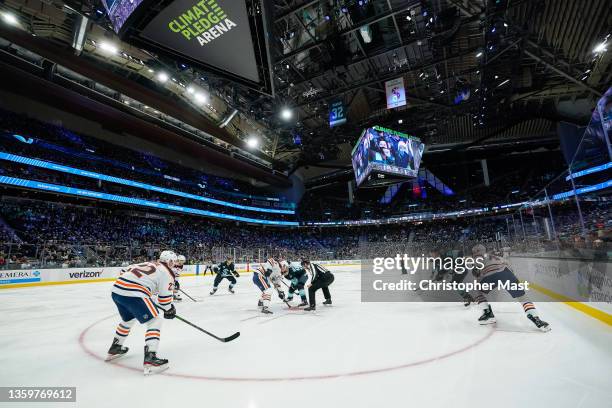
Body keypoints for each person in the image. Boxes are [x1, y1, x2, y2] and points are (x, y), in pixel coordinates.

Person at [106, 250, 178, 375]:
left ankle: (115, 347)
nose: (175, 264)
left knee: (128, 320)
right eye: (174, 262)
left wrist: (145, 287)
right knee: (155, 320)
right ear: (170, 261)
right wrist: (170, 310)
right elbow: (164, 301)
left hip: (117, 291)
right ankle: (151, 358)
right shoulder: (167, 273)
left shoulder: (148, 263)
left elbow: (124, 271)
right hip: (134, 293)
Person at [470, 244, 550, 332]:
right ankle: (535, 318)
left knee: (477, 290)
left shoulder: (476, 259)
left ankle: (487, 313)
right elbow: (510, 268)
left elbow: (477, 274)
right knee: (522, 297)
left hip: (491, 276)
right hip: (507, 273)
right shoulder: (496, 256)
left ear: (474, 252)